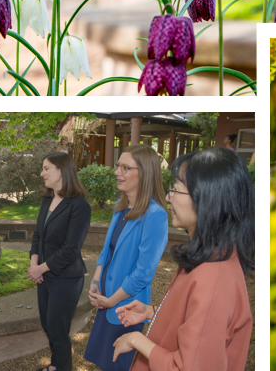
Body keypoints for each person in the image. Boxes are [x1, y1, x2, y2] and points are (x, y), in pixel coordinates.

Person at [109, 148, 254, 371]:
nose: (168, 197)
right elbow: (196, 320)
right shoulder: (210, 255)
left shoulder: (213, 279)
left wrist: (135, 340)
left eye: (176, 189)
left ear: (207, 199)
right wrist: (152, 311)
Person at [84, 144, 169, 371]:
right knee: (103, 363)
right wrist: (95, 281)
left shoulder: (155, 215)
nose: (116, 172)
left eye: (125, 167)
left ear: (145, 174)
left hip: (126, 310)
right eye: (117, 165)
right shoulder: (121, 207)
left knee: (117, 365)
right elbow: (106, 251)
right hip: (106, 303)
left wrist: (112, 300)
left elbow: (143, 273)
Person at [29, 151, 92, 371]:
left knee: (58, 331)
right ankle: (55, 366)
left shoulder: (79, 205)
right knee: (48, 326)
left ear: (61, 170)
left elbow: (70, 249)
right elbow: (38, 234)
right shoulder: (48, 199)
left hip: (66, 278)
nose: (42, 173)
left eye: (46, 168)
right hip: (44, 275)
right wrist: (33, 264)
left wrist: (41, 269)